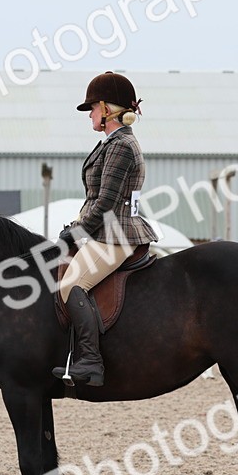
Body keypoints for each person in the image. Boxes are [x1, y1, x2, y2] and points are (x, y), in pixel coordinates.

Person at [51, 71, 159, 386]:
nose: (91, 117)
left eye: (93, 110)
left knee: (72, 286)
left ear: (107, 109)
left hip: (117, 234)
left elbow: (107, 202)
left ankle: (90, 362)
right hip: (105, 230)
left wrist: (78, 232)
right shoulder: (110, 143)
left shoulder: (121, 145)